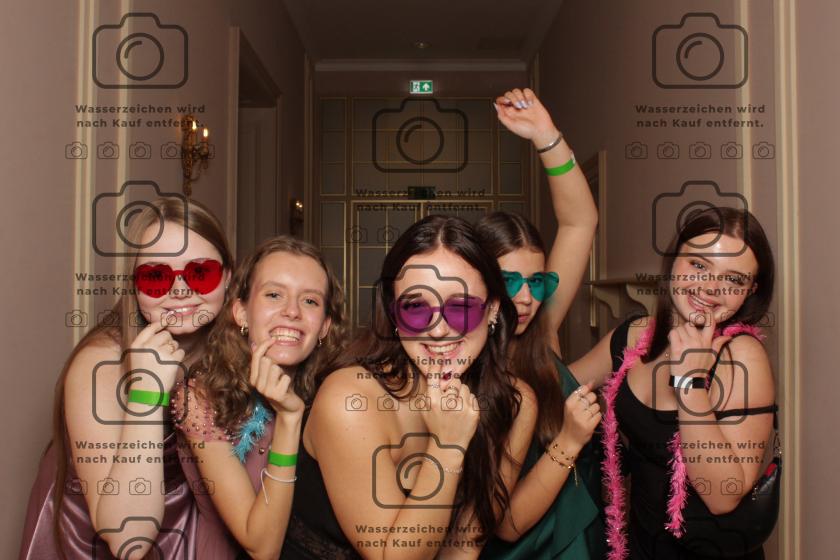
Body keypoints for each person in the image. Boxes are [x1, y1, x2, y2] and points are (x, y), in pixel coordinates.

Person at [280, 215, 537, 560]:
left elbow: (464, 547)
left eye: (461, 307)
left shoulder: (514, 403)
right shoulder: (349, 401)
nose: (439, 330)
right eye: (416, 308)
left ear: (492, 310)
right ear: (394, 316)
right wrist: (447, 446)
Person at [20, 197, 233, 559]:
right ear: (135, 286)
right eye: (157, 277)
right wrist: (147, 395)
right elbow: (126, 539)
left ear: (228, 276)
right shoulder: (100, 364)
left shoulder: (232, 350)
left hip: (188, 534)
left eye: (200, 272)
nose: (181, 290)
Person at [570, 207, 777, 559]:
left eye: (733, 280)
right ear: (673, 261)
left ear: (750, 291)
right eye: (698, 265)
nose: (710, 288)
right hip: (638, 546)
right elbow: (557, 387)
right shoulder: (634, 334)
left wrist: (690, 383)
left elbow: (722, 496)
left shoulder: (742, 356)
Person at [476, 88, 606, 559]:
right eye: (509, 281)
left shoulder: (541, 327)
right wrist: (570, 440)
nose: (527, 297)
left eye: (536, 280)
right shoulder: (462, 370)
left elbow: (580, 223)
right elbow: (507, 524)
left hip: (584, 542)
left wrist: (546, 136)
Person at [171, 236, 346, 560]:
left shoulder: (332, 396)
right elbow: (261, 546)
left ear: (324, 326)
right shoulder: (198, 399)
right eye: (274, 294)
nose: (292, 311)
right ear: (241, 312)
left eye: (310, 301)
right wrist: (289, 419)